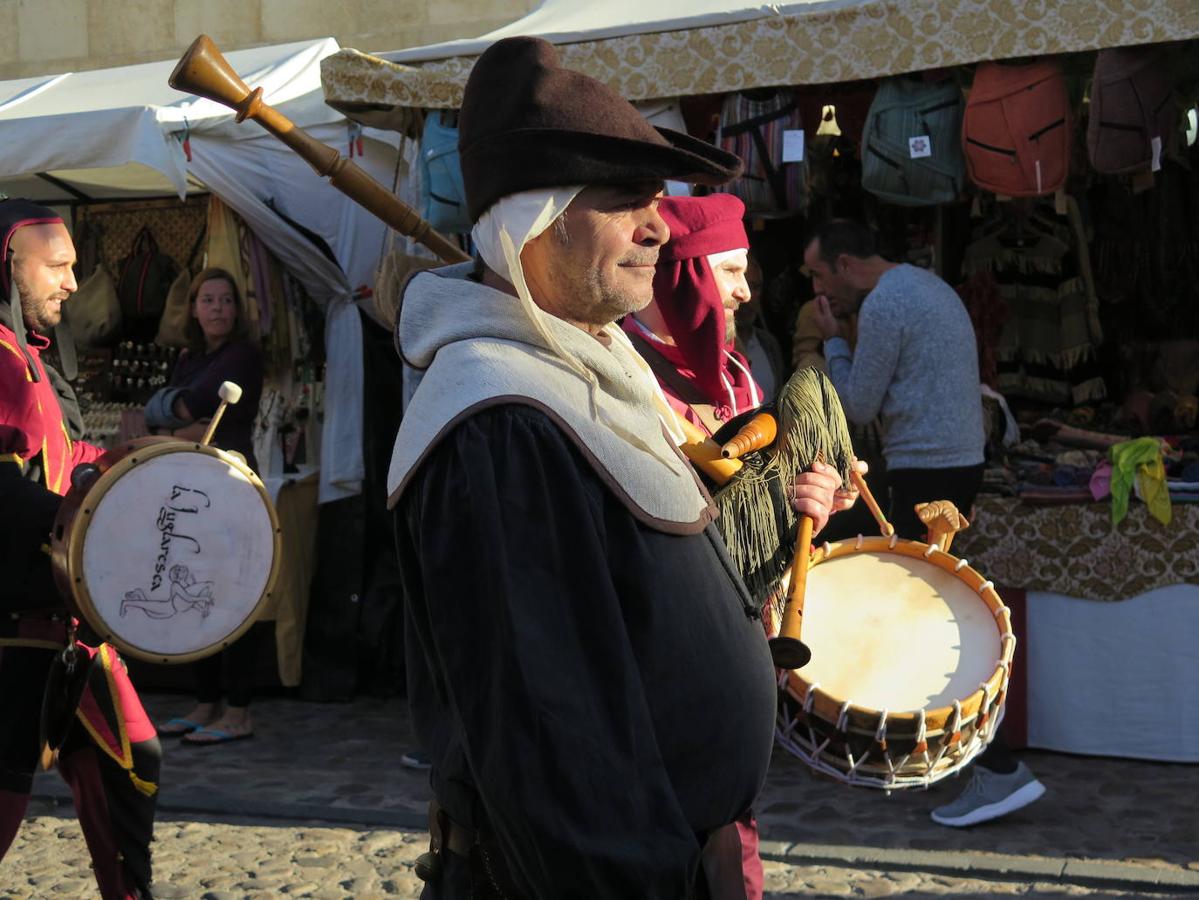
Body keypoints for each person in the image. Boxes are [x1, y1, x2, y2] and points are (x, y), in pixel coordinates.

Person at [389, 37, 844, 898]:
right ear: (534, 221)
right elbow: (556, 748)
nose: (657, 227)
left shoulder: (578, 374)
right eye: (623, 201)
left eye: (655, 200)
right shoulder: (501, 423)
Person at [805, 217, 1045, 827]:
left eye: (819, 274)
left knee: (928, 625)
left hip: (925, 472)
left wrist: (832, 342)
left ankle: (996, 769)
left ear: (848, 265)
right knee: (931, 614)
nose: (818, 290)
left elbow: (855, 405)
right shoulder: (925, 285)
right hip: (951, 464)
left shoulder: (885, 303)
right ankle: (948, 757)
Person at [0, 198, 160, 898]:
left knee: (132, 764)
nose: (72, 282)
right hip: (13, 630)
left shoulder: (29, 360)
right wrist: (88, 513)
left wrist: (132, 460)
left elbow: (64, 460)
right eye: (57, 266)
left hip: (70, 625)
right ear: (9, 263)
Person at [149, 267, 265, 747]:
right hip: (193, 486)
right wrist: (178, 421)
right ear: (193, 308)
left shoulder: (242, 356)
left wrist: (172, 418)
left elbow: (191, 406)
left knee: (232, 595)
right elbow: (169, 409)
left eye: (225, 300)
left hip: (230, 483)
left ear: (236, 310)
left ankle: (238, 711)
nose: (217, 308)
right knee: (193, 593)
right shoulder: (188, 357)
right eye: (208, 300)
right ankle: (205, 701)